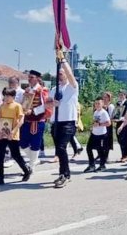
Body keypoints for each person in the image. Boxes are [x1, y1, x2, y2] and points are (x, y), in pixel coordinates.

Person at [48, 51, 79, 188]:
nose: (59, 75)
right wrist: (52, 103)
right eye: (58, 74)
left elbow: (71, 75)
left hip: (68, 122)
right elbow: (47, 103)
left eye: (61, 73)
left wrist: (63, 60)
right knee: (59, 150)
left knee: (61, 147)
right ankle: (64, 173)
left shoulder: (72, 87)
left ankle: (65, 175)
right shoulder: (54, 88)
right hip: (56, 122)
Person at [0, 88, 31, 187]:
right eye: (5, 96)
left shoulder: (17, 106)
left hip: (13, 134)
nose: (6, 98)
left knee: (16, 154)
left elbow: (21, 121)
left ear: (13, 96)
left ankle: (26, 170)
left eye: (9, 96)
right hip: (2, 134)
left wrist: (13, 131)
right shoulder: (2, 106)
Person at [19, 70, 49, 170]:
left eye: (31, 77)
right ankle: (34, 160)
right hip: (27, 120)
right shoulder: (27, 90)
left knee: (35, 144)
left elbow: (45, 106)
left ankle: (31, 167)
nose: (29, 79)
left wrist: (32, 111)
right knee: (22, 143)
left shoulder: (42, 90)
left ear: (37, 78)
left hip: (37, 120)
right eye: (29, 77)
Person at [84, 97, 111, 173]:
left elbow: (109, 123)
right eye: (96, 103)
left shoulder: (104, 112)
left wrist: (99, 124)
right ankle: (92, 165)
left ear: (102, 104)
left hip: (101, 134)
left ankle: (102, 166)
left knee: (100, 150)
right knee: (88, 148)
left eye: (99, 103)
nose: (97, 105)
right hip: (94, 133)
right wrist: (92, 126)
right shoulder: (95, 112)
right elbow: (95, 121)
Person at [114, 90, 127, 162]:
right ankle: (124, 154)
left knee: (124, 139)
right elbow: (116, 113)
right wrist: (114, 118)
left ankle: (125, 155)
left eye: (122, 95)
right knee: (119, 139)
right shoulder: (118, 103)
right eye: (119, 95)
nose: (120, 96)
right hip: (118, 122)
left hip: (125, 123)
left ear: (125, 95)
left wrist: (122, 118)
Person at [102, 92, 115, 164]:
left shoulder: (111, 106)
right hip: (102, 125)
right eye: (103, 97)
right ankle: (101, 155)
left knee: (107, 141)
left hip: (108, 126)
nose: (104, 98)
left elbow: (111, 116)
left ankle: (106, 156)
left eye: (106, 97)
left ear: (109, 98)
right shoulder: (102, 105)